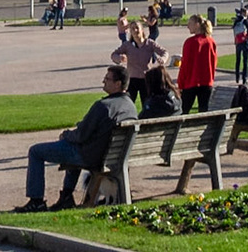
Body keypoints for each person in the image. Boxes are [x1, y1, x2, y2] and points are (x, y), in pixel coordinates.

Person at [14, 65, 137, 213]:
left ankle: (36, 201)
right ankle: (66, 196)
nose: (103, 81)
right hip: (112, 155)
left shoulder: (103, 106)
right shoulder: (130, 106)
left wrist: (65, 134)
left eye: (107, 79)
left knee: (36, 151)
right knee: (71, 144)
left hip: (90, 156)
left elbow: (81, 135)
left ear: (118, 84)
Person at [111, 19, 169, 106]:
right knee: (128, 104)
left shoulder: (149, 43)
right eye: (132, 29)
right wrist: (119, 58)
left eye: (137, 28)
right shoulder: (127, 45)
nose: (135, 31)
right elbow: (113, 55)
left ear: (142, 29)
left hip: (146, 79)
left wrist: (163, 59)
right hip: (131, 79)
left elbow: (165, 52)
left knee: (147, 104)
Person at [178, 15, 218, 113]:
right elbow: (213, 63)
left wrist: (180, 83)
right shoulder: (211, 41)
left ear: (197, 25)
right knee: (203, 111)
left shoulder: (190, 42)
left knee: (183, 111)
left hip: (191, 82)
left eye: (190, 23)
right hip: (206, 82)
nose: (188, 26)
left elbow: (185, 65)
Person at [231, 8, 248, 84]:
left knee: (238, 60)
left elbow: (234, 31)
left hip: (238, 42)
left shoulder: (236, 21)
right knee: (245, 61)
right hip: (245, 42)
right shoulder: (245, 21)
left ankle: (237, 77)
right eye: (247, 12)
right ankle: (244, 78)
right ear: (243, 13)